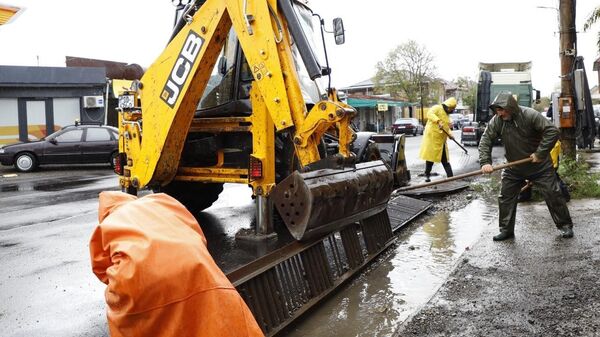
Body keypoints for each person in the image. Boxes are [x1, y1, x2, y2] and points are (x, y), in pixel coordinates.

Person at [479, 92, 573, 241]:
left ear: (511, 108)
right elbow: (486, 140)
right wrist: (485, 162)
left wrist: (540, 153)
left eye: (502, 109)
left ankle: (565, 226)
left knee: (553, 194)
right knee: (505, 197)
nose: (499, 113)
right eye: (497, 110)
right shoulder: (497, 121)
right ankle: (506, 230)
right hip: (513, 168)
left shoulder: (530, 115)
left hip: (540, 166)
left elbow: (552, 131)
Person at [419, 97, 457, 182]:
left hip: (441, 142)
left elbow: (447, 129)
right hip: (432, 139)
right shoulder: (437, 108)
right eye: (452, 109)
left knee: (445, 160)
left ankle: (451, 178)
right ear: (448, 106)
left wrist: (451, 135)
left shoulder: (447, 116)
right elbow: (429, 114)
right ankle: (427, 175)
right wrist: (438, 121)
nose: (452, 111)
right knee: (430, 158)